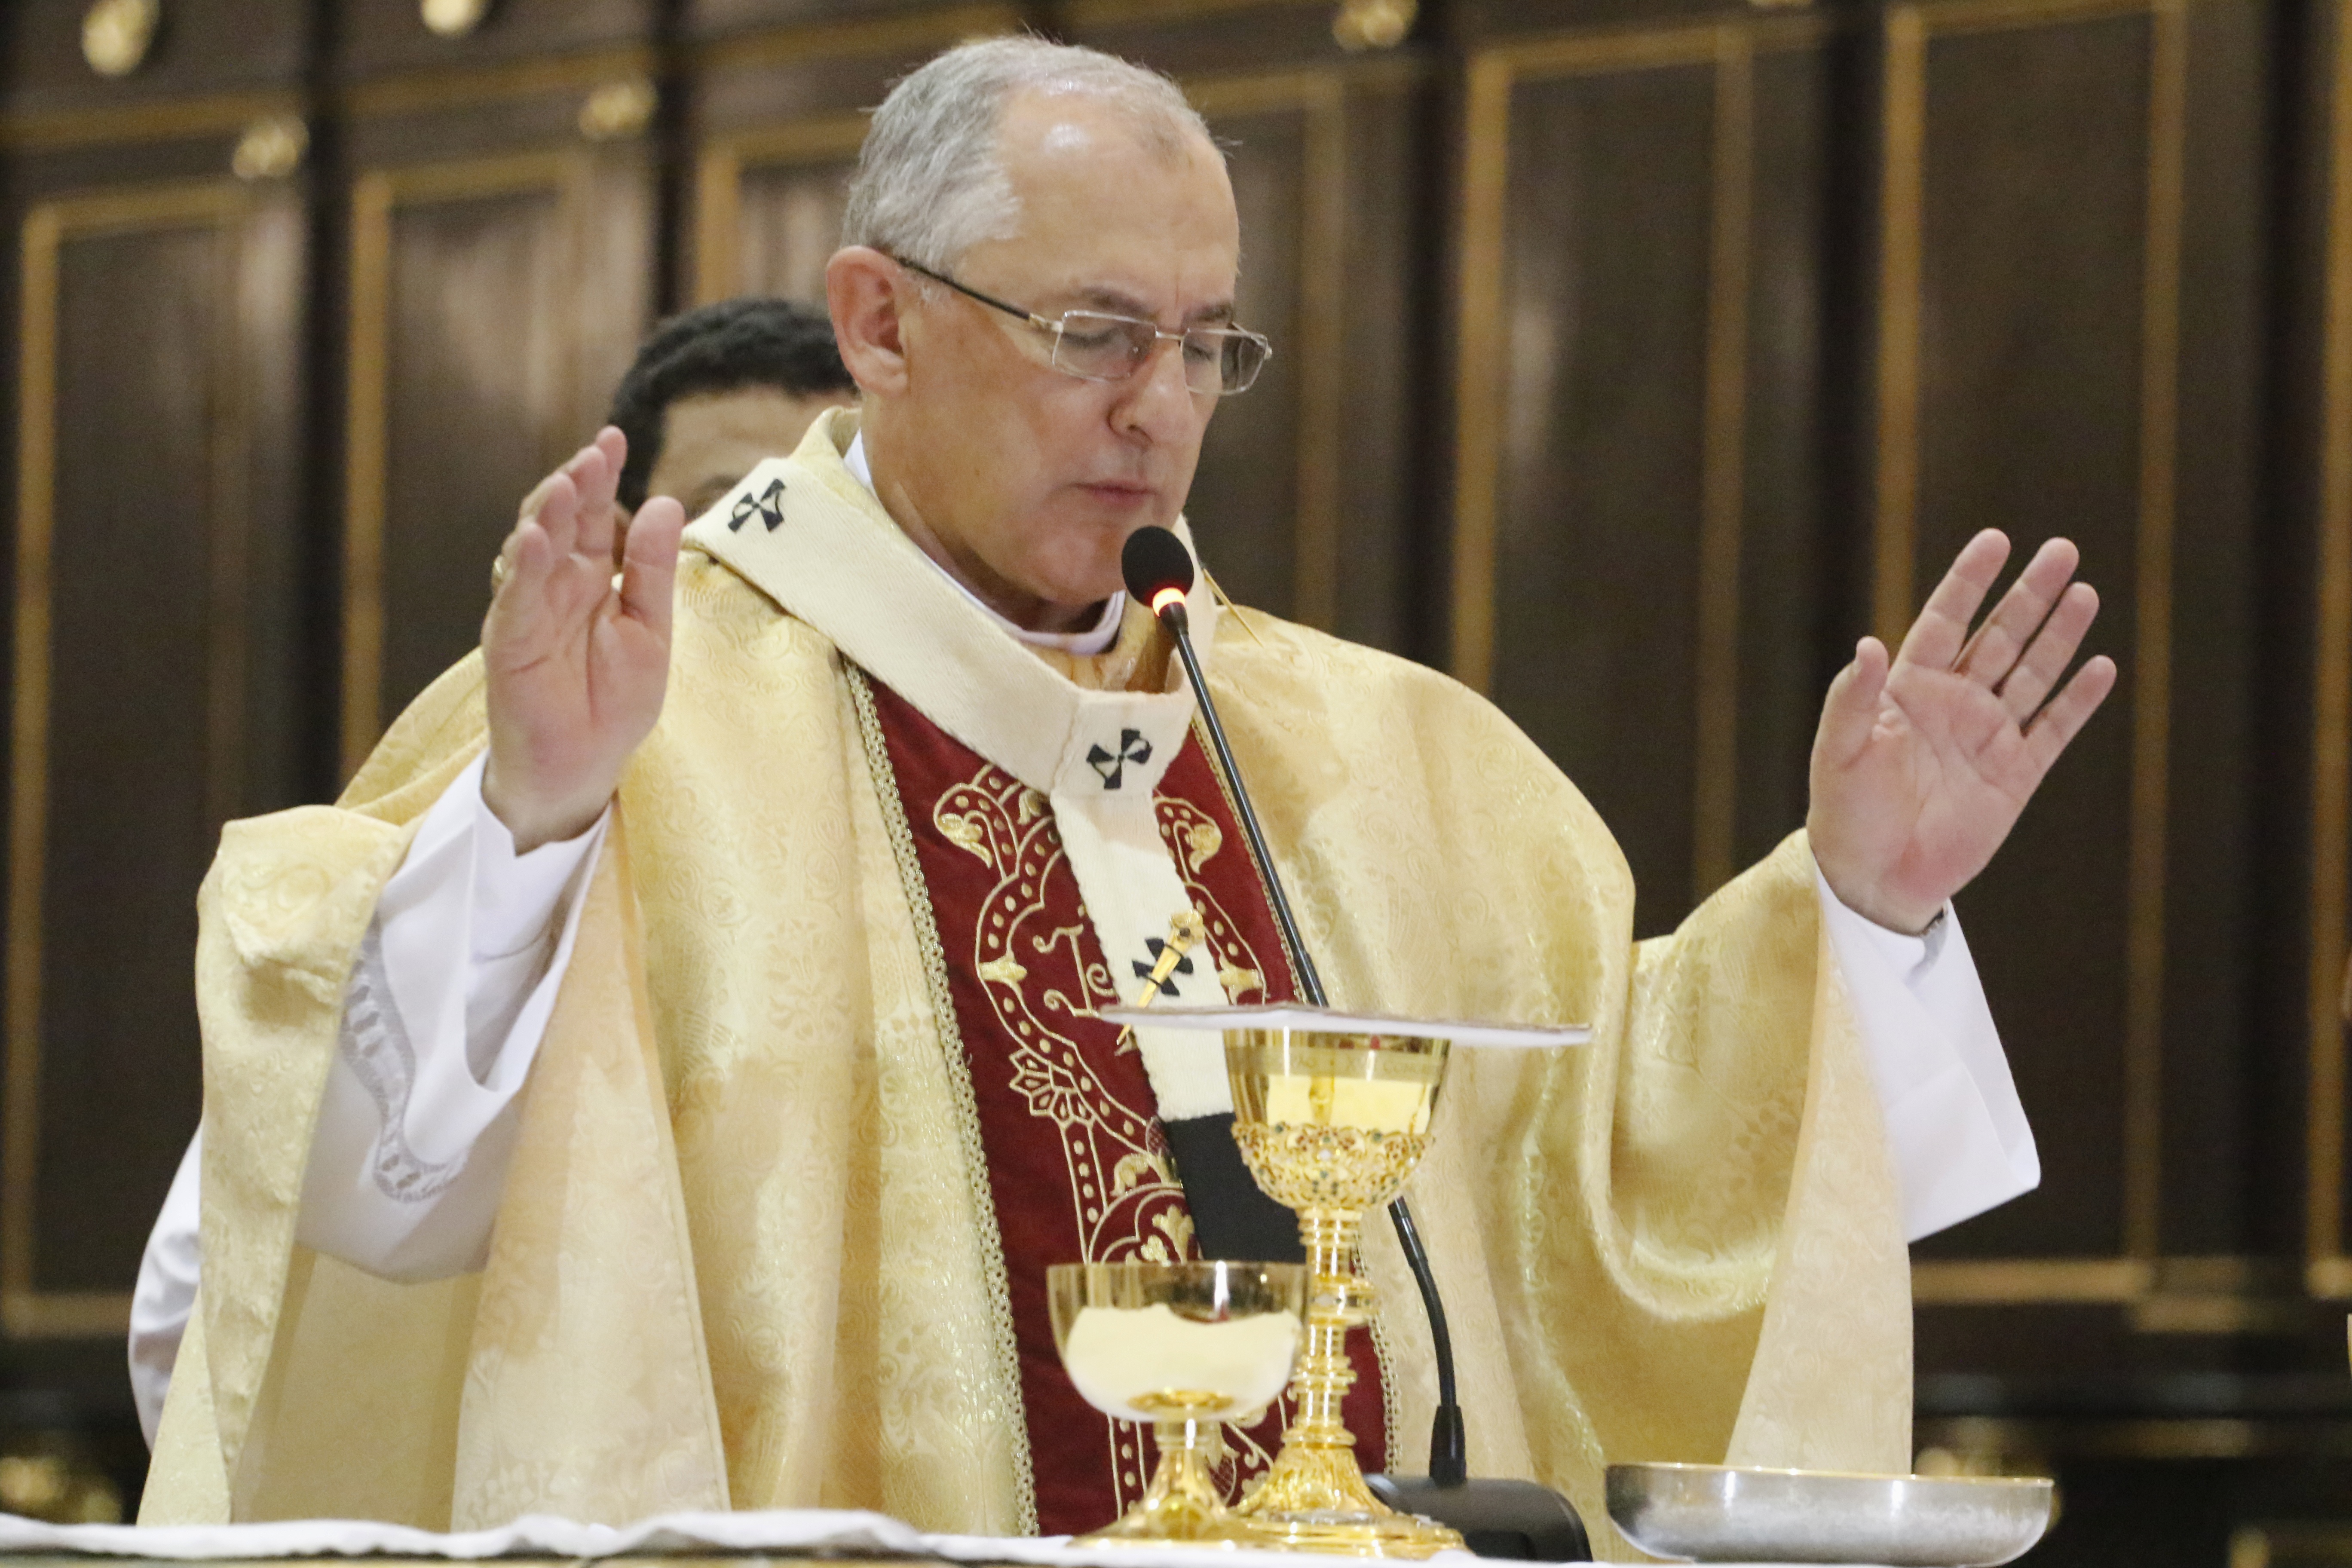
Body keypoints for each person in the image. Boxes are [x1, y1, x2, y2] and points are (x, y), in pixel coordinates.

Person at [136, 40, 2112, 1552]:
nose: (1158, 406)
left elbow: (1628, 1183)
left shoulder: (1374, 755)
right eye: (1092, 335)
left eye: (1204, 345)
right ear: (881, 324)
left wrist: (1862, 910)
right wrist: (535, 831)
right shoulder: (637, 717)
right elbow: (359, 1203)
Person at [125, 296, 856, 1446]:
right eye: (742, 513)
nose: (794, 566)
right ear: (619, 541)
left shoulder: (931, 834)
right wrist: (537, 815)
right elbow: (223, 1303)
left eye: (840, 519)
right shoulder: (501, 781)